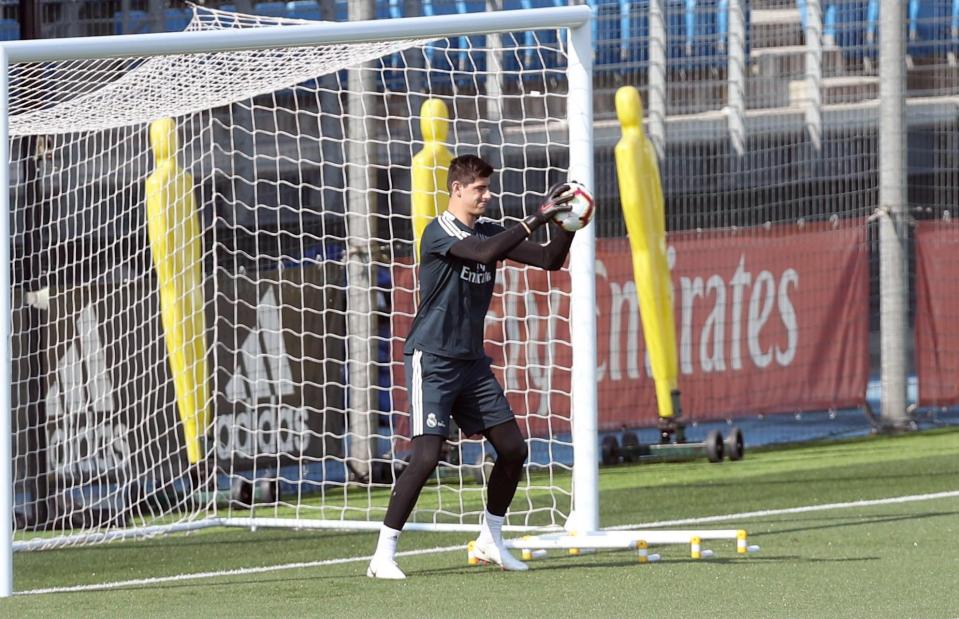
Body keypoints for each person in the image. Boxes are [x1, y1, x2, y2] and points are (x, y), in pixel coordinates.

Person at [367, 154, 579, 579]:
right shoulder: (439, 231)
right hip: (434, 359)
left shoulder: (488, 229)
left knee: (514, 450)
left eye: (488, 187)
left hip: (471, 363)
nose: (486, 195)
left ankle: (489, 540)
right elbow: (482, 255)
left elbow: (549, 260)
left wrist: (566, 227)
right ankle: (382, 555)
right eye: (479, 188)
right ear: (456, 190)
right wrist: (536, 217)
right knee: (427, 455)